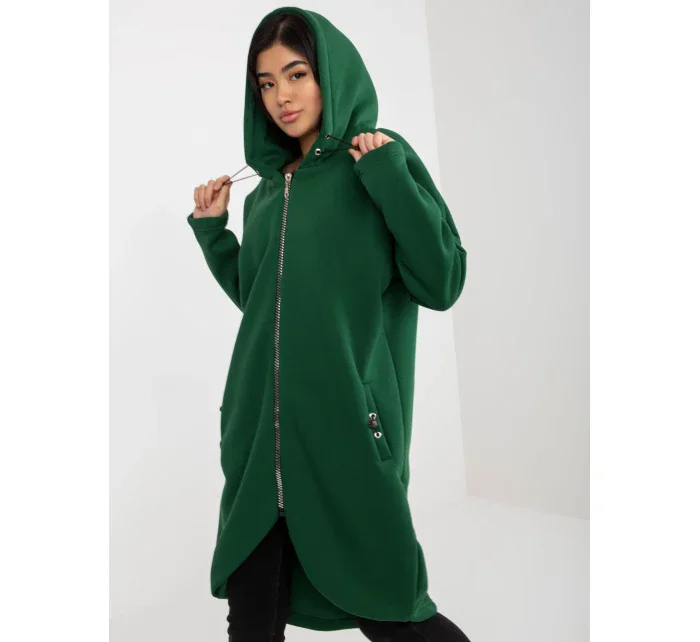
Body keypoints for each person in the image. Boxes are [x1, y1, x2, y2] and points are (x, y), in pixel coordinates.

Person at [186, 6, 469, 641]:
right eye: (266, 83)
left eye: (297, 74)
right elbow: (265, 306)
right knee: (250, 618)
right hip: (260, 440)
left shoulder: (378, 162)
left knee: (392, 609)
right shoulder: (264, 195)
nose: (281, 97)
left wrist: (388, 177)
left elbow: (442, 280)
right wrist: (214, 235)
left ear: (330, 75)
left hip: (346, 430)